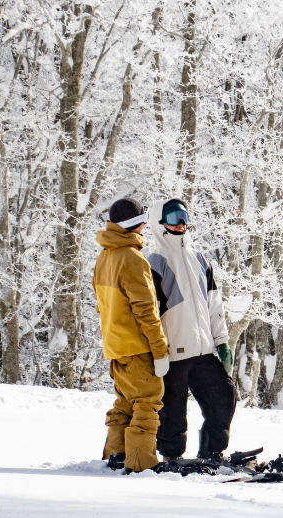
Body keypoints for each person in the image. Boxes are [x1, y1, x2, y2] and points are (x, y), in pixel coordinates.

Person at [147, 199, 238, 465]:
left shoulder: (200, 259)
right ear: (159, 222)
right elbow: (149, 312)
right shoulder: (154, 262)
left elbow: (214, 305)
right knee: (173, 409)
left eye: (184, 216)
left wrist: (221, 341)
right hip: (172, 351)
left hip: (203, 349)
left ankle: (212, 452)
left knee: (224, 396)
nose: (181, 223)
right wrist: (156, 350)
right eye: (174, 217)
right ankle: (171, 455)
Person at [94, 198, 170, 474]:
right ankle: (141, 463)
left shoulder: (106, 256)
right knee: (147, 403)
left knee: (124, 403)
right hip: (138, 347)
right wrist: (160, 351)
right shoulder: (132, 259)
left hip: (115, 346)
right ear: (135, 225)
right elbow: (146, 311)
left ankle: (115, 456)